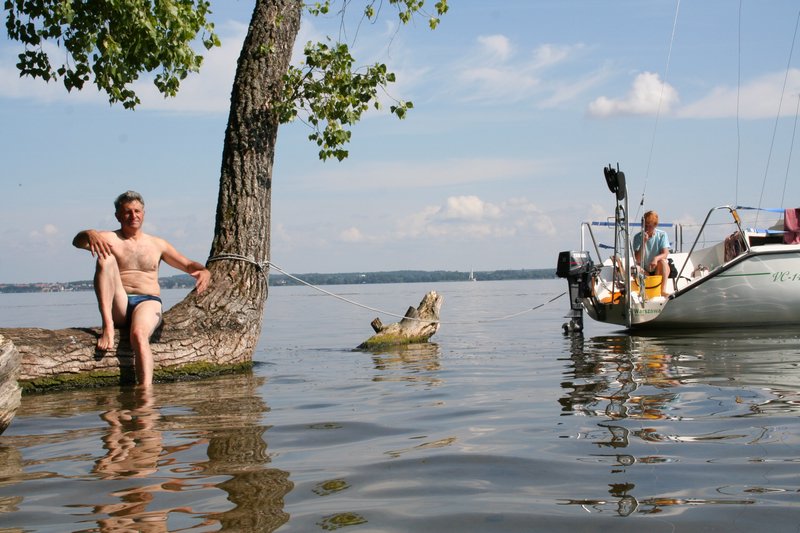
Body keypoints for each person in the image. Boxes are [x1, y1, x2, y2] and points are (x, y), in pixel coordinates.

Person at [73, 191, 211, 386]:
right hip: (119, 302)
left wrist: (205, 271)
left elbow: (187, 265)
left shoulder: (157, 244)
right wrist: (89, 232)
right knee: (105, 258)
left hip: (147, 301)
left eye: (137, 211)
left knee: (138, 334)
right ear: (118, 216)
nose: (133, 216)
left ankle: (145, 393)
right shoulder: (108, 238)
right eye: (127, 212)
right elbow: (77, 242)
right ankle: (108, 327)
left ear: (144, 214)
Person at [632, 210, 671, 297]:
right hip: (645, 270)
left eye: (649, 226)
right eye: (644, 226)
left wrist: (656, 259)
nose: (646, 229)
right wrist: (643, 242)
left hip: (658, 268)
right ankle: (642, 293)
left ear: (654, 225)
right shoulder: (637, 237)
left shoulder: (662, 235)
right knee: (635, 268)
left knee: (663, 262)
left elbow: (665, 253)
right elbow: (638, 259)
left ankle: (663, 290)